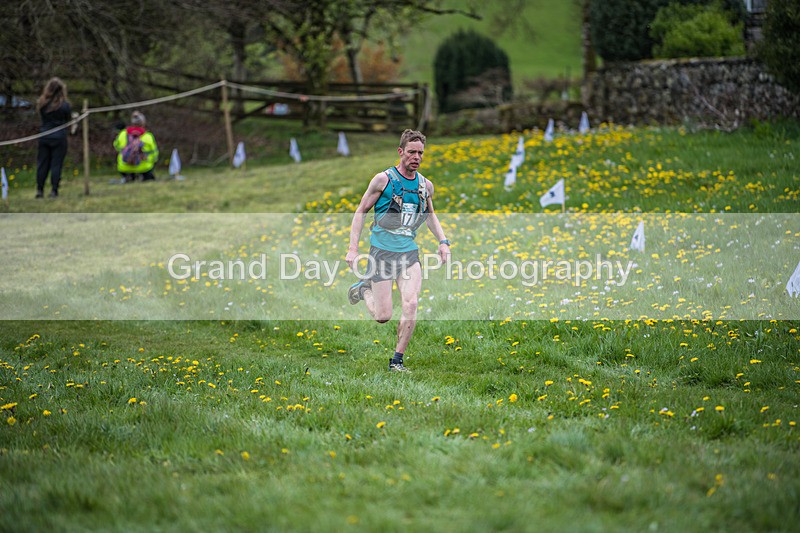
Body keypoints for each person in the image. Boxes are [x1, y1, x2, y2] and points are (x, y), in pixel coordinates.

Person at [345, 129, 451, 372]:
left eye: (420, 153)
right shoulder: (383, 180)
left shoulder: (426, 186)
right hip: (381, 253)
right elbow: (361, 211)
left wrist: (443, 242)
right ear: (401, 152)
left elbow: (430, 216)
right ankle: (365, 291)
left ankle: (397, 361)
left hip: (409, 255)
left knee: (411, 304)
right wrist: (353, 248)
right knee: (383, 317)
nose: (416, 157)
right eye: (412, 152)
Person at [35, 77, 71, 198]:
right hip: (59, 138)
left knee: (42, 164)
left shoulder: (42, 103)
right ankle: (54, 191)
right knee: (56, 164)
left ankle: (40, 190)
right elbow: (67, 120)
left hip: (44, 136)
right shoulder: (64, 105)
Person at [113, 111, 159, 182]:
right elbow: (154, 153)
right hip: (144, 168)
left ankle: (129, 177)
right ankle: (143, 176)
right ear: (143, 123)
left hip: (124, 167)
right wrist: (153, 161)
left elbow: (116, 146)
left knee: (126, 169)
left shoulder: (123, 134)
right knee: (148, 171)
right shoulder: (148, 136)